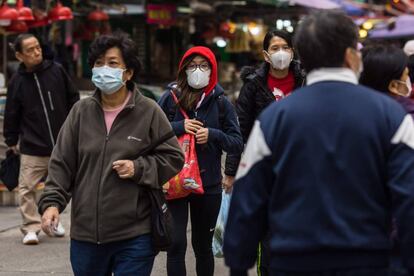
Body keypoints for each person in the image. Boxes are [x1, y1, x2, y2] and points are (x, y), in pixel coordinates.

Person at [224, 10, 414, 276]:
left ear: (302, 55)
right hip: (369, 261)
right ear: (351, 56)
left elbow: (248, 197)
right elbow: (409, 198)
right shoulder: (393, 118)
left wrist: (238, 261)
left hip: (293, 262)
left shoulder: (273, 121)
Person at [38, 33, 184, 276]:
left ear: (128, 73)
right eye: (98, 63)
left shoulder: (148, 111)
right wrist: (52, 203)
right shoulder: (80, 112)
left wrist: (139, 168)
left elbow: (173, 157)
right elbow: (62, 162)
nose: (104, 68)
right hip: (85, 236)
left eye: (113, 63)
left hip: (134, 235)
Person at [157, 46, 243, 276]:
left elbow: (236, 142)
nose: (197, 70)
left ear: (212, 70)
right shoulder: (169, 98)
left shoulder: (221, 101)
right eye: (192, 65)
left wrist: (213, 134)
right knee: (175, 245)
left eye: (203, 66)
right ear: (184, 69)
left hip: (208, 184)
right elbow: (150, 132)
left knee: (202, 246)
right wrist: (179, 127)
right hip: (174, 181)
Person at [226, 29, 305, 276]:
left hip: (302, 171)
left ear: (292, 52)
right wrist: (231, 172)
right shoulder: (253, 86)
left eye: (285, 47)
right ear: (265, 54)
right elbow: (241, 130)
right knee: (269, 240)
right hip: (265, 172)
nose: (281, 53)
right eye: (275, 48)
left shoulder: (306, 80)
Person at [3, 34, 79, 245]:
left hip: (62, 144)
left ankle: (52, 219)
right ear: (19, 55)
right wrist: (11, 139)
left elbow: (73, 98)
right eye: (30, 50)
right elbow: (11, 113)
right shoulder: (16, 81)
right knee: (26, 188)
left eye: (37, 47)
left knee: (62, 186)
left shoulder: (56, 70)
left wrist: (75, 128)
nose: (36, 52)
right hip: (32, 147)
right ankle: (31, 226)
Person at [360, 45, 413, 115]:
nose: (407, 78)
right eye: (406, 74)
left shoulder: (358, 110)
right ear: (394, 86)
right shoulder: (406, 115)